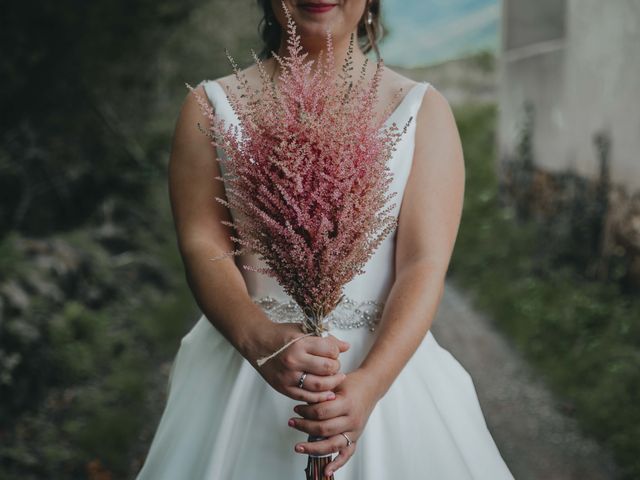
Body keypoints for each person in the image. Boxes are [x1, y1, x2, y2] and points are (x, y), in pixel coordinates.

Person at [135, 1, 515, 478]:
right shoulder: (209, 105)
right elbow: (201, 244)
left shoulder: (423, 109)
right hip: (247, 368)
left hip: (385, 375)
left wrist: (371, 385)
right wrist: (262, 343)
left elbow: (424, 263)